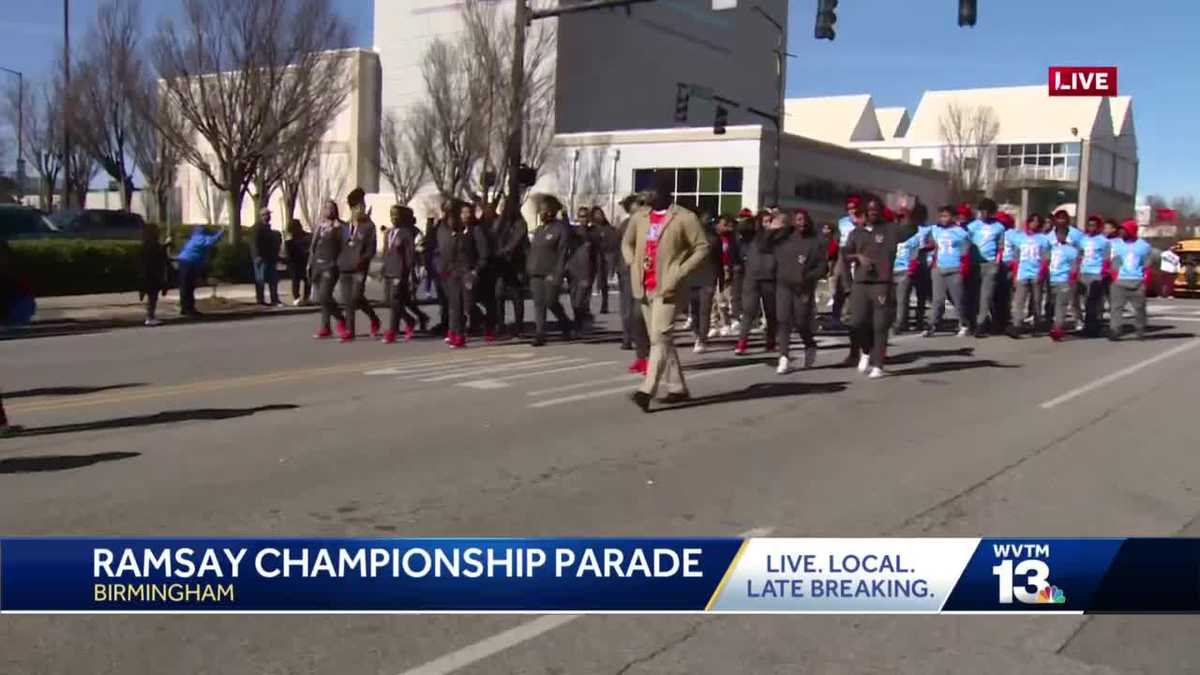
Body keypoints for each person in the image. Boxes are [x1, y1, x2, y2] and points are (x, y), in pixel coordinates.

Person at [623, 171, 710, 412]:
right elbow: (626, 242)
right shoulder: (640, 216)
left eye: (652, 190)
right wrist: (631, 261)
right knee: (660, 339)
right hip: (643, 285)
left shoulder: (683, 217)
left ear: (664, 192)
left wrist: (680, 270)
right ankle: (677, 387)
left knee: (660, 336)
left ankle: (646, 390)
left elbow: (702, 248)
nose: (647, 194)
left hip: (669, 287)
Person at [761, 209, 826, 373]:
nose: (801, 223)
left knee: (801, 321)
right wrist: (771, 230)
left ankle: (810, 344)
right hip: (783, 285)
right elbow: (762, 246)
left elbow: (822, 267)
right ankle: (783, 357)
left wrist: (808, 277)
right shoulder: (783, 239)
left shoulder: (815, 242)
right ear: (792, 222)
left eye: (804, 220)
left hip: (803, 287)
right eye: (798, 220)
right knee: (783, 320)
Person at [842, 198, 900, 379]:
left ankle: (878, 364)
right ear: (864, 212)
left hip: (881, 284)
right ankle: (866, 351)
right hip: (860, 284)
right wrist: (857, 256)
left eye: (876, 210)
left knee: (880, 325)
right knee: (857, 323)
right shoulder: (856, 233)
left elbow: (910, 229)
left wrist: (907, 211)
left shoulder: (889, 230)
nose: (873, 212)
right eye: (870, 210)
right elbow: (845, 254)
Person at [526, 194, 573, 347]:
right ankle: (540, 334)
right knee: (539, 304)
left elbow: (562, 254)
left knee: (551, 301)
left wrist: (557, 274)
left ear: (552, 211)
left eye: (545, 210)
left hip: (551, 274)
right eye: (540, 210)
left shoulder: (560, 229)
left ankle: (565, 323)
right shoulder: (539, 230)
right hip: (536, 273)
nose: (542, 213)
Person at [439, 202, 487, 348]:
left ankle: (471, 326)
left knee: (467, 304)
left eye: (468, 212)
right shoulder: (456, 231)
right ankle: (456, 333)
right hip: (453, 272)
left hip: (468, 272)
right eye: (462, 213)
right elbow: (448, 254)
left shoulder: (476, 230)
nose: (465, 215)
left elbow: (483, 254)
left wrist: (475, 271)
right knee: (454, 305)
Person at [337, 188, 381, 342]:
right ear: (351, 209)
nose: (360, 209)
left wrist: (362, 260)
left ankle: (374, 318)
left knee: (355, 297)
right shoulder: (344, 226)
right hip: (344, 267)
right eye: (356, 207)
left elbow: (372, 248)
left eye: (362, 206)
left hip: (359, 268)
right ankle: (350, 330)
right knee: (348, 299)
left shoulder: (369, 226)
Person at [734, 209, 778, 356]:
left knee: (771, 312)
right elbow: (741, 227)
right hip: (752, 277)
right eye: (765, 221)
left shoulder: (776, 237)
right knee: (748, 311)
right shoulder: (751, 235)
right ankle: (742, 342)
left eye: (770, 221)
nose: (768, 224)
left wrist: (776, 223)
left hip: (770, 278)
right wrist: (753, 219)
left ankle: (771, 342)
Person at [616, 194, 651, 372]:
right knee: (629, 311)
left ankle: (647, 354)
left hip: (646, 272)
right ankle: (634, 346)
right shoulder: (625, 225)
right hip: (627, 272)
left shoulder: (651, 223)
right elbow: (621, 246)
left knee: (641, 313)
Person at [925, 205, 971, 337]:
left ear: (953, 217)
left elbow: (965, 251)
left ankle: (964, 323)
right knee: (937, 300)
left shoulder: (960, 232)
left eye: (946, 216)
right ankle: (932, 324)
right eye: (941, 216)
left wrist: (963, 268)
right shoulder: (935, 230)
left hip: (955, 269)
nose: (943, 219)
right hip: (938, 268)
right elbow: (932, 244)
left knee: (958, 299)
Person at [1005, 214, 1051, 338]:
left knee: (1036, 301)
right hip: (1022, 273)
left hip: (1036, 272)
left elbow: (1046, 258)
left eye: (1037, 222)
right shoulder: (1020, 238)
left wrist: (1041, 273)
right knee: (1019, 301)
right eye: (1032, 221)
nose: (1034, 224)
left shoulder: (1043, 239)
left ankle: (1037, 325)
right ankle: (1016, 325)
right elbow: (1016, 257)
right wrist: (1015, 274)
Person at [967, 198, 1006, 337]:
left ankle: (981, 323)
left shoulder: (999, 227)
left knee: (986, 296)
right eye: (982, 211)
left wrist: (997, 263)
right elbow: (966, 244)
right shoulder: (972, 226)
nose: (984, 214)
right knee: (973, 295)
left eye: (987, 212)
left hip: (990, 264)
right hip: (975, 264)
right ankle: (972, 321)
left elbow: (1001, 248)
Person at [308, 201, 347, 339]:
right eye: (325, 208)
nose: (328, 210)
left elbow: (345, 247)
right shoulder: (320, 225)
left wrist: (341, 264)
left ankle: (341, 319)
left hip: (331, 266)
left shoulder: (340, 227)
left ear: (335, 210)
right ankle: (325, 327)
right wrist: (310, 264)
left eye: (331, 208)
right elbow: (313, 247)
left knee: (325, 294)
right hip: (317, 264)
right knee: (322, 298)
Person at [1108, 219, 1152, 341]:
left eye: (1124, 230)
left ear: (1131, 231)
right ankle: (1115, 330)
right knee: (1116, 308)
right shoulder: (1116, 245)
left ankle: (1140, 329)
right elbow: (1114, 263)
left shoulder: (1144, 246)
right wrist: (1115, 277)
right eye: (1120, 229)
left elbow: (1147, 265)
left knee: (1139, 309)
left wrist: (1144, 281)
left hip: (1137, 281)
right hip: (1120, 282)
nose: (1121, 232)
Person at [381, 205, 420, 343]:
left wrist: (407, 274)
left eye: (396, 215)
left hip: (400, 272)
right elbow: (385, 253)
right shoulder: (388, 233)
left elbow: (410, 256)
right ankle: (410, 320)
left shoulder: (406, 233)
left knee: (396, 300)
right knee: (391, 302)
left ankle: (392, 331)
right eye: (392, 215)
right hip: (389, 271)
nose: (394, 218)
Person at [491, 202, 528, 338]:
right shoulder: (502, 224)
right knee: (499, 294)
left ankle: (519, 325)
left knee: (516, 295)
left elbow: (515, 242)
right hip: (503, 265)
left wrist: (503, 251)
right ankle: (500, 324)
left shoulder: (520, 224)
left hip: (516, 264)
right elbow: (494, 234)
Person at [892, 206, 930, 334]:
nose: (899, 219)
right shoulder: (892, 231)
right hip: (896, 268)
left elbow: (921, 248)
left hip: (915, 268)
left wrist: (914, 263)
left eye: (902, 216)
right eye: (898, 216)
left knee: (915, 297)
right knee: (899, 298)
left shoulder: (920, 231)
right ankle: (900, 321)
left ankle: (911, 321)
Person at [687, 213, 720, 354]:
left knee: (703, 310)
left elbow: (719, 261)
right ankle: (698, 334)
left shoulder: (713, 240)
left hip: (707, 279)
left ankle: (702, 338)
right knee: (695, 310)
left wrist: (720, 279)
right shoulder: (688, 240)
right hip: (692, 278)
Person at [176, 225, 224, 318]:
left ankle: (185, 308)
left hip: (185, 263)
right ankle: (188, 309)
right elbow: (211, 241)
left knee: (186, 287)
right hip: (189, 263)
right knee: (188, 287)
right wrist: (220, 232)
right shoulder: (199, 238)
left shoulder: (194, 238)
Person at [1077, 216, 1112, 336]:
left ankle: (1093, 325)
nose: (1091, 227)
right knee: (1086, 300)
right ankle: (1089, 324)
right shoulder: (1083, 240)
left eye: (1094, 225)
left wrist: (1103, 273)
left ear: (1098, 227)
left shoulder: (1103, 241)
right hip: (1084, 272)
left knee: (1093, 300)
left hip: (1096, 273)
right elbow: (1079, 256)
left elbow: (1106, 259)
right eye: (1089, 225)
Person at [1046, 224, 1082, 342]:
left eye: (1063, 234)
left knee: (1060, 306)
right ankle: (1052, 325)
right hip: (1052, 280)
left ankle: (1057, 329)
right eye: (1058, 234)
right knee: (1051, 304)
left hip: (1064, 281)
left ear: (1066, 235)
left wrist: (1071, 280)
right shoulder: (1052, 248)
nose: (1060, 236)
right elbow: (1046, 262)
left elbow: (1074, 267)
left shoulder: (1071, 250)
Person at [830, 196, 861, 329]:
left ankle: (851, 315)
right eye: (849, 209)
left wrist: (858, 222)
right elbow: (837, 238)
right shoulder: (842, 221)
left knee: (854, 287)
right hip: (843, 254)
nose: (852, 211)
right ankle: (836, 317)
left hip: (858, 254)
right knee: (839, 286)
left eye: (854, 208)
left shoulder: (862, 221)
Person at [567, 208, 596, 333]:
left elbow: (597, 255)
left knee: (580, 301)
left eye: (585, 216)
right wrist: (563, 216)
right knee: (574, 301)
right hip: (572, 271)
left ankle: (580, 324)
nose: (582, 219)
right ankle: (580, 322)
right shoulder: (574, 231)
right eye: (580, 216)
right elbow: (566, 229)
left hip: (586, 272)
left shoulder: (592, 233)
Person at [137, 222, 170, 327]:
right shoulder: (155, 245)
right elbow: (160, 257)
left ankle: (150, 316)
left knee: (150, 296)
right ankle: (150, 317)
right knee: (152, 297)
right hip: (153, 274)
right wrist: (166, 245)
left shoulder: (144, 245)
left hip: (144, 273)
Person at [250, 208, 283, 306]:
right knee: (260, 279)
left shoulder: (268, 228)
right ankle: (260, 300)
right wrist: (257, 256)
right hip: (261, 258)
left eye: (269, 214)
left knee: (273, 280)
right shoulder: (256, 228)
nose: (268, 216)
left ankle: (274, 299)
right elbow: (254, 243)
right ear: (261, 216)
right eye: (265, 214)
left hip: (270, 258)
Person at [590, 206, 620, 315]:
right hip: (593, 259)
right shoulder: (592, 229)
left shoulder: (609, 229)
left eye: (600, 214)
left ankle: (604, 304)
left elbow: (614, 244)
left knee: (603, 283)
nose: (599, 216)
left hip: (605, 258)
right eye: (597, 214)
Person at [285, 219, 312, 306]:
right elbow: (289, 253)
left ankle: (304, 298)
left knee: (305, 280)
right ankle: (298, 298)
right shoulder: (290, 239)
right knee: (297, 281)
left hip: (302, 262)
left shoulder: (305, 236)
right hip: (296, 263)